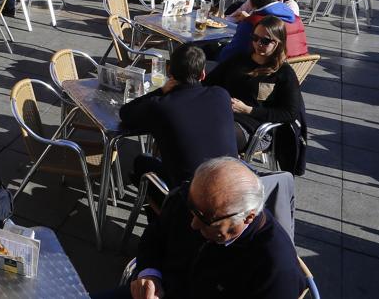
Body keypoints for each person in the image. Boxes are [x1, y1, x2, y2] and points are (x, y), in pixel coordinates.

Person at [97, 157, 303, 299]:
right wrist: (150, 274)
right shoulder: (193, 200)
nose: (193, 224)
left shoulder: (275, 267)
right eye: (191, 210)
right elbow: (155, 237)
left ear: (248, 217)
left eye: (206, 219)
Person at [119, 45, 239, 186]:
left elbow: (125, 113)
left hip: (188, 194)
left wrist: (160, 91)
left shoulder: (161, 105)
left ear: (170, 73)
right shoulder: (221, 95)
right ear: (202, 75)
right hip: (232, 184)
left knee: (142, 162)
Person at [206, 17, 305, 153]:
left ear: (278, 43)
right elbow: (209, 82)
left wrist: (248, 110)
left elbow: (289, 113)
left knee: (216, 135)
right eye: (254, 38)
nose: (258, 43)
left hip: (255, 128)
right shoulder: (239, 60)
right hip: (221, 114)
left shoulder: (284, 73)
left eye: (265, 41)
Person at [220, 0, 308, 60]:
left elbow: (229, 55)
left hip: (265, 72)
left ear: (251, 3)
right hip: (298, 68)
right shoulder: (296, 18)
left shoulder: (253, 24)